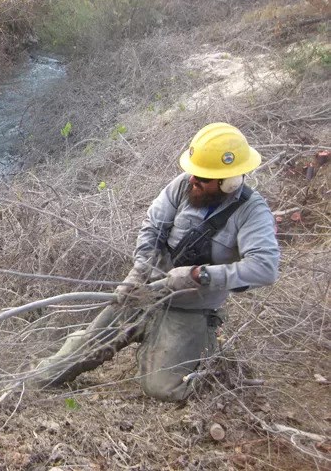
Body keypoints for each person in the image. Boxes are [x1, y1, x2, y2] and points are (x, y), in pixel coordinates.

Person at [36, 123, 280, 401]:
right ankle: (25, 383)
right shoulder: (182, 186)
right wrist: (140, 271)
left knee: (162, 388)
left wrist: (199, 275)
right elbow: (152, 228)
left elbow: (265, 268)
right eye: (193, 174)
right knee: (74, 358)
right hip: (147, 291)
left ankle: (189, 348)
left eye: (202, 179)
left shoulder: (253, 212)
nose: (192, 182)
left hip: (189, 310)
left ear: (229, 182)